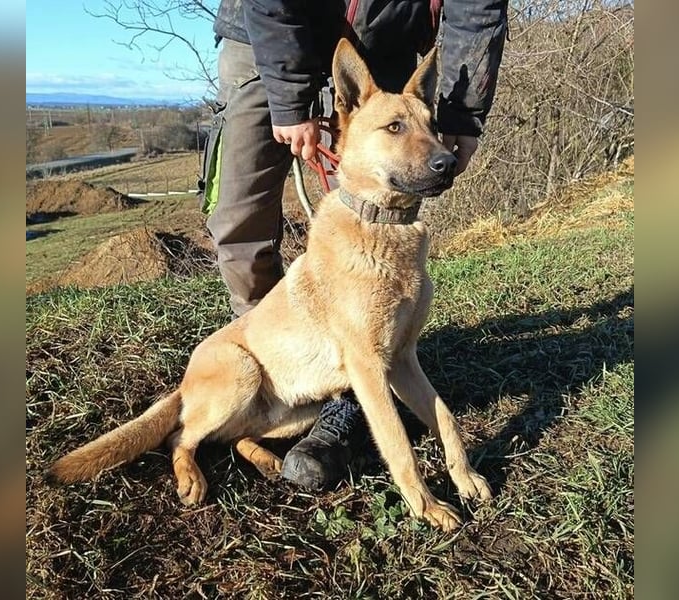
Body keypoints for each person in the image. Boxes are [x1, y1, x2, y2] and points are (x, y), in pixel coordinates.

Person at [200, 0, 508, 490]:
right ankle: (279, 376)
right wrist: (288, 97)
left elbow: (478, 9)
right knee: (241, 223)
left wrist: (462, 115)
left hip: (384, 38)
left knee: (376, 193)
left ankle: (343, 401)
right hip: (267, 35)